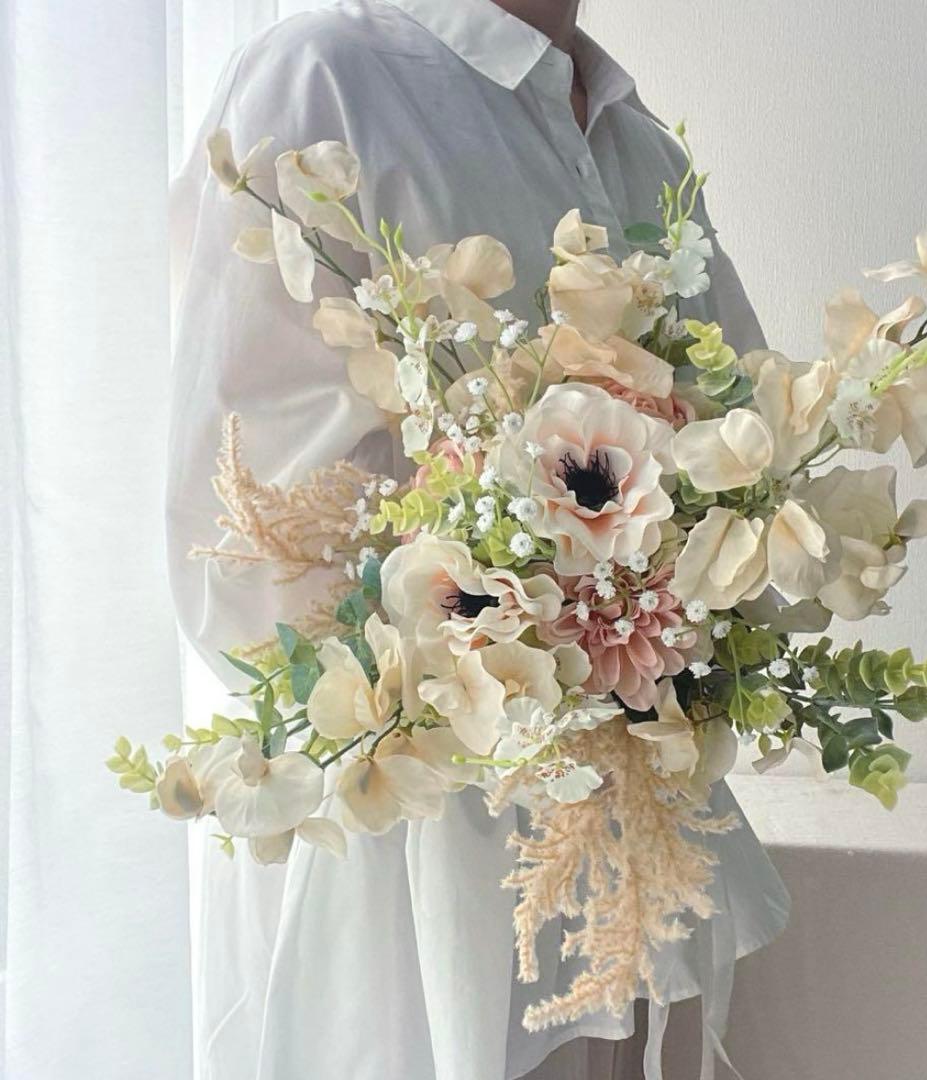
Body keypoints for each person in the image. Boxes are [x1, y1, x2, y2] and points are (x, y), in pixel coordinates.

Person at [167, 2, 789, 1077]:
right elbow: (239, 540)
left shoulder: (637, 143)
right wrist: (507, 637)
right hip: (414, 873)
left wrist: (660, 612)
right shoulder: (327, 79)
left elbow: (747, 450)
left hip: (636, 843)